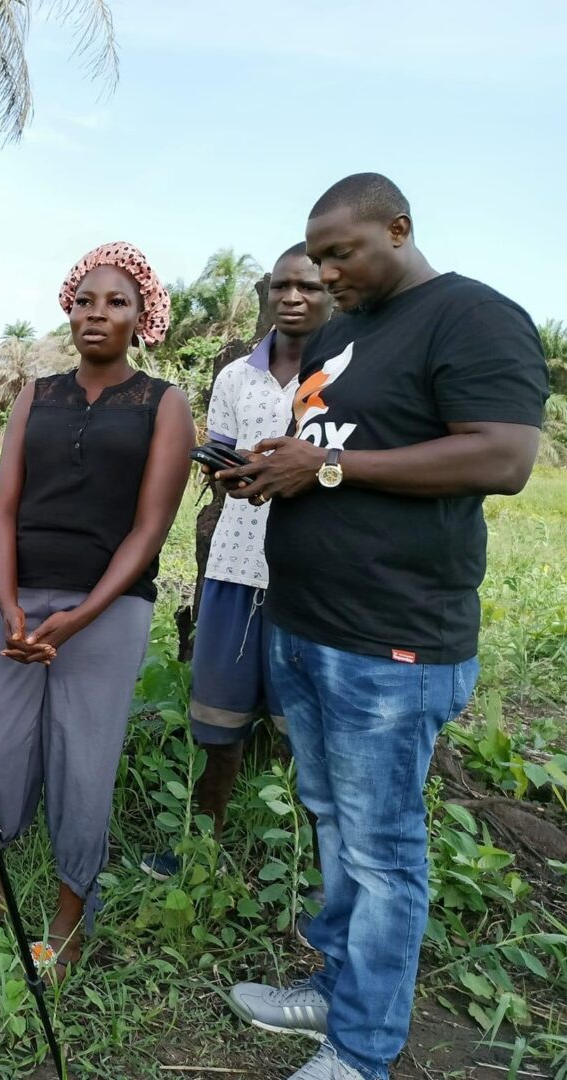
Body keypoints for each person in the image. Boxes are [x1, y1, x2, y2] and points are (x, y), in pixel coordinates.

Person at [219, 174, 548, 1080]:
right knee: (330, 820)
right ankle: (336, 987)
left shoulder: (473, 317)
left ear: (398, 230)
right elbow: (330, 446)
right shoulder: (340, 334)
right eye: (316, 258)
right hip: (306, 622)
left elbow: (504, 456)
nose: (324, 274)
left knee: (381, 847)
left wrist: (324, 472)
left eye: (340, 255)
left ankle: (363, 1052)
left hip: (391, 641)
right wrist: (270, 468)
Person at [0, 242, 194, 980]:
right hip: (20, 602)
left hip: (109, 610)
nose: (98, 313)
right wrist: (9, 605)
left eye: (116, 302)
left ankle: (69, 907)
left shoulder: (163, 404)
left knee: (83, 763)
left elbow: (150, 528)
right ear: (69, 307)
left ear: (141, 317)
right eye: (86, 300)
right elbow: (1, 508)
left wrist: (82, 615)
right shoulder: (37, 393)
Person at [140, 244, 332, 930]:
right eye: (280, 285)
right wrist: (225, 470)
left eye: (308, 286)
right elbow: (216, 466)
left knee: (304, 734)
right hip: (229, 566)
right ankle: (201, 846)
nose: (293, 297)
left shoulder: (344, 372)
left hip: (306, 579)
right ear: (265, 293)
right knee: (216, 722)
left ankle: (314, 871)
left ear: (330, 294)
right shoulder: (235, 375)